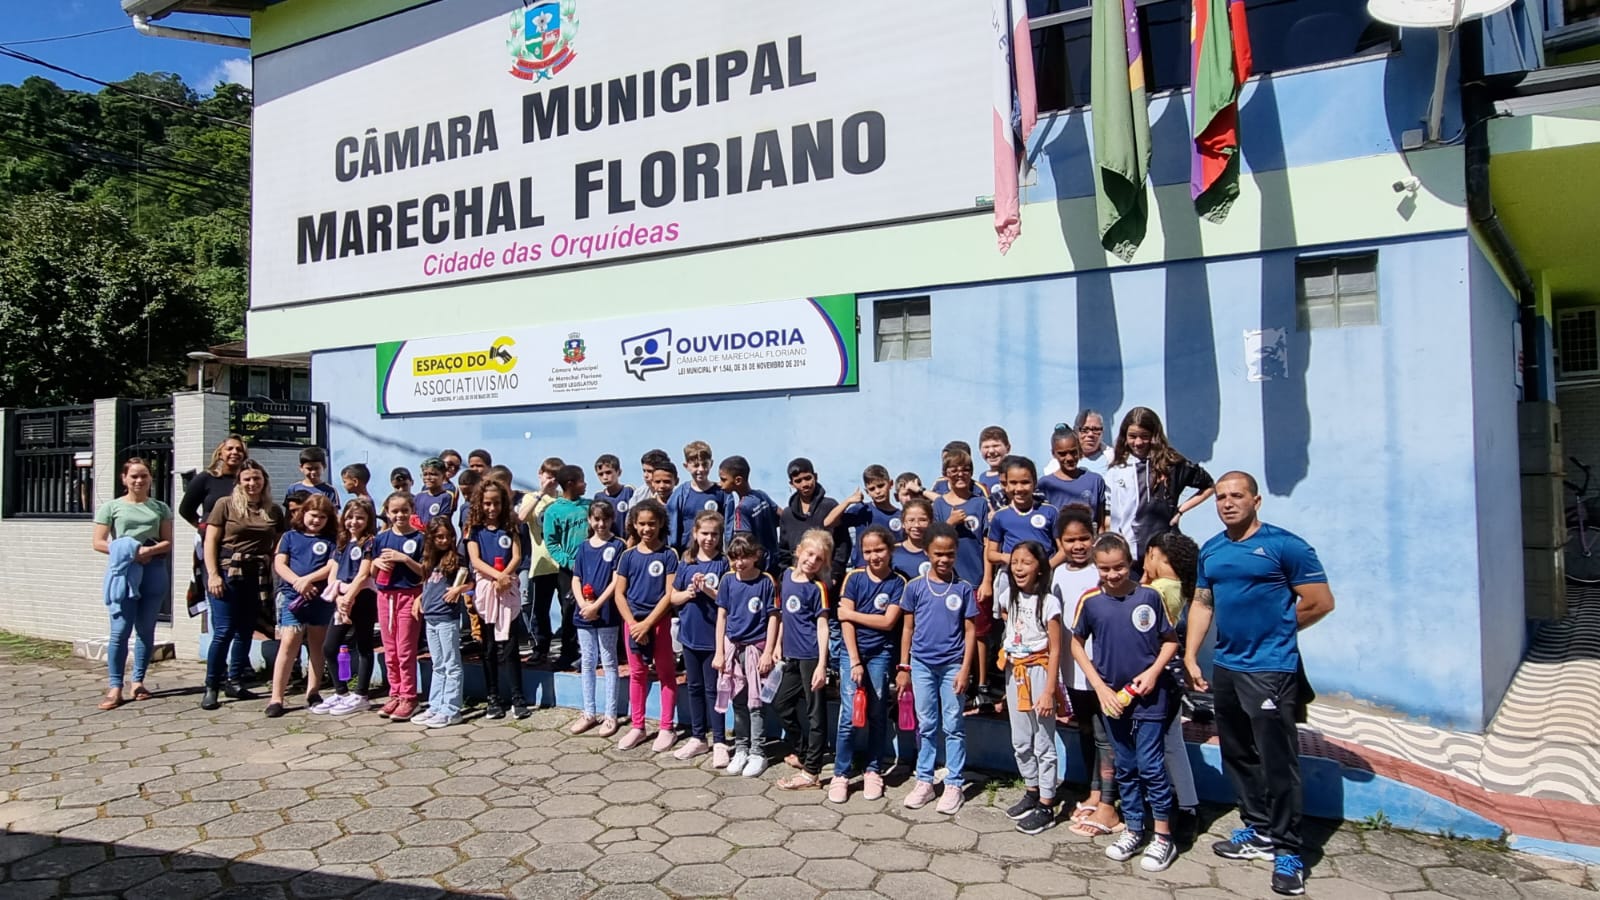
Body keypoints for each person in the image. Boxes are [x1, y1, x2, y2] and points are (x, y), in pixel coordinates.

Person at [1184, 471, 1334, 897]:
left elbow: (1320, 601)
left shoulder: (1286, 546)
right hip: (1227, 667)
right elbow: (1202, 603)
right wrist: (1191, 655)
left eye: (1237, 496)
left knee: (1277, 761)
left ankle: (1288, 851)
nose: (1227, 503)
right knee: (1237, 753)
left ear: (1256, 500)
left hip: (1271, 669)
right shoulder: (1212, 550)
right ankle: (1259, 828)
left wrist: (1277, 632)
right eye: (1221, 497)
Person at [1072, 532, 1180, 874]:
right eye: (1104, 569)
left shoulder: (1149, 596)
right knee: (1125, 765)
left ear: (1130, 562)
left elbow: (1170, 641)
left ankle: (1162, 836)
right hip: (1112, 701)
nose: (1112, 574)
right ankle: (1133, 828)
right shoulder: (1091, 601)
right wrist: (1099, 687)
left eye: (1118, 567)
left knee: (1151, 766)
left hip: (1150, 699)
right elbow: (1076, 643)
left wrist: (1153, 673)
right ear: (1095, 567)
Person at [1052, 505, 1123, 839]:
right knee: (1085, 729)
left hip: (1103, 668)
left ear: (1094, 538)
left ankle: (1106, 797)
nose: (1078, 545)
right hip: (1073, 669)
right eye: (1070, 540)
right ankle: (1093, 790)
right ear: (1060, 542)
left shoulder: (1103, 571)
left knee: (1104, 734)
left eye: (1084, 538)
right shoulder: (1057, 574)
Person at [897, 522, 978, 815]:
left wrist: (965, 669)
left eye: (950, 554)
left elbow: (970, 631)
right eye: (938, 554)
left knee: (953, 724)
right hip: (921, 665)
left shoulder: (963, 588)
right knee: (926, 724)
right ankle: (925, 780)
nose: (944, 559)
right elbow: (907, 628)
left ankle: (954, 783)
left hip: (952, 666)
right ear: (927, 553)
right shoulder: (915, 587)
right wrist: (904, 666)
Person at [995, 540, 1067, 835]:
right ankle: (1032, 790)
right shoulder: (1007, 597)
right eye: (1015, 562)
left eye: (1026, 562)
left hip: (1039, 672)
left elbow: (1056, 649)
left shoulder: (1049, 603)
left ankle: (1047, 804)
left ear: (1040, 567)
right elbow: (1006, 621)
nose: (1019, 568)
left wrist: (1049, 691)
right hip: (1015, 672)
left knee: (1043, 741)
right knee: (1021, 739)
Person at [830, 526, 905, 803]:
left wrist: (851, 613)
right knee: (849, 714)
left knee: (876, 711)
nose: (874, 556)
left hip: (881, 654)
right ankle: (841, 773)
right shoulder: (854, 578)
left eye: (879, 550)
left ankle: (873, 769)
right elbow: (844, 622)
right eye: (868, 551)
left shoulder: (898, 582)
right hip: (852, 655)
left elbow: (888, 622)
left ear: (890, 550)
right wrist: (854, 660)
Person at [202, 460, 284, 710]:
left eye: (256, 478)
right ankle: (212, 685)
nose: (252, 483)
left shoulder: (273, 510)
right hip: (227, 572)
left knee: (245, 630)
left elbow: (279, 542)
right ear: (239, 482)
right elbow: (210, 541)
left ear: (264, 481)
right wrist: (213, 575)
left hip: (256, 576)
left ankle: (235, 681)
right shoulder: (225, 505)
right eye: (247, 479)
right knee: (224, 630)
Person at [93, 458, 173, 709]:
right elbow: (98, 542)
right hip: (125, 573)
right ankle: (115, 686)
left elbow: (167, 541)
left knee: (146, 630)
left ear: (150, 478)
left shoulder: (160, 508)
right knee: (120, 631)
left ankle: (138, 681)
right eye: (134, 476)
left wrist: (147, 552)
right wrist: (128, 552)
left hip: (153, 570)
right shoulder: (111, 507)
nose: (139, 481)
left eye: (144, 476)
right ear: (124, 479)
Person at [1143, 531, 1202, 838]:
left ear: (1155, 555)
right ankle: (1183, 802)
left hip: (1158, 672)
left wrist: (1142, 582)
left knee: (1168, 743)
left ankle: (1185, 806)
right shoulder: (1179, 587)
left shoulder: (1159, 589)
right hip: (1171, 672)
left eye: (1148, 555)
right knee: (1171, 741)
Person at [1104, 407, 1215, 565]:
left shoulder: (1171, 464)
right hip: (1128, 554)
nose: (1138, 442)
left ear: (1154, 436)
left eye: (1145, 436)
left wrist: (1180, 511)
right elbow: (1109, 515)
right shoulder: (1117, 470)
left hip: (1165, 551)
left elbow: (1209, 486)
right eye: (1132, 436)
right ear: (1124, 436)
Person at [612, 498, 679, 752]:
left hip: (659, 623)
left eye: (652, 523)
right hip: (633, 623)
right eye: (641, 524)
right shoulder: (627, 556)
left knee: (666, 673)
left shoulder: (669, 555)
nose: (647, 529)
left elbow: (669, 594)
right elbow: (619, 594)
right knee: (637, 674)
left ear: (661, 523)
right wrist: (633, 624)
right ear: (634, 525)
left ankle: (666, 728)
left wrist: (649, 623)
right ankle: (638, 726)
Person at [933, 449, 997, 705]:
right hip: (949, 582)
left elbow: (988, 543)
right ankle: (959, 680)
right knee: (954, 632)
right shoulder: (939, 505)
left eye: (965, 470)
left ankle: (981, 684)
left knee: (979, 633)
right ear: (946, 474)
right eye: (954, 470)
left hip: (975, 578)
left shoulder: (979, 503)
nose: (960, 474)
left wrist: (987, 580)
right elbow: (934, 540)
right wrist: (949, 523)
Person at [712, 535, 779, 777]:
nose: (739, 563)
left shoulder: (766, 581)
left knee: (756, 703)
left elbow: (773, 617)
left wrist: (768, 651)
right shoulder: (728, 580)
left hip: (756, 650)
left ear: (755, 555)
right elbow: (722, 616)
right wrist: (719, 652)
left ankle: (758, 752)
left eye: (744, 557)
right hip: (733, 648)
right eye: (734, 558)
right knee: (738, 701)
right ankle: (741, 748)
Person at [266, 493, 338, 717]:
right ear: (303, 513)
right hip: (292, 598)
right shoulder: (289, 536)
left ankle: (313, 691)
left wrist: (309, 580)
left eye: (322, 517)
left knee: (317, 644)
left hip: (319, 598)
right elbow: (280, 563)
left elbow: (331, 565)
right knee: (289, 642)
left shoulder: (331, 540)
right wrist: (298, 582)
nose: (316, 520)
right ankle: (276, 697)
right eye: (313, 515)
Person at [773, 530, 833, 790]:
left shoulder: (817, 588)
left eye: (819, 559)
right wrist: (777, 644)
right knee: (781, 703)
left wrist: (822, 664)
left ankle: (812, 773)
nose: (812, 561)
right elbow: (783, 615)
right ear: (798, 551)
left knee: (815, 713)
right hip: (791, 656)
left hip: (811, 657)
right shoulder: (786, 576)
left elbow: (822, 626)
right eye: (809, 554)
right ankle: (803, 751)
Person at [670, 510, 730, 764]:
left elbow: (729, 599)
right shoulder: (687, 562)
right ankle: (698, 738)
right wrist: (689, 592)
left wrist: (707, 589)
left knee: (713, 690)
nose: (709, 538)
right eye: (704, 533)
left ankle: (720, 741)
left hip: (713, 638)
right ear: (695, 533)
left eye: (714, 534)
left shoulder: (724, 563)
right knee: (693, 687)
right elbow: (673, 597)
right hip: (690, 636)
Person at [466, 480, 528, 720]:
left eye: (497, 503)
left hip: (507, 587)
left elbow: (516, 555)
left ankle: (517, 696)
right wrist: (495, 576)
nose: (492, 508)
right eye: (487, 503)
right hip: (486, 590)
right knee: (489, 646)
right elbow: (475, 560)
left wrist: (505, 576)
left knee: (510, 645)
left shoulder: (510, 526)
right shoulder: (475, 530)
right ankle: (493, 697)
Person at [316, 498, 379, 716]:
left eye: (360, 517)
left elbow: (363, 574)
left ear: (368, 519)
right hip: (342, 598)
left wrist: (349, 597)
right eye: (350, 517)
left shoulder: (370, 542)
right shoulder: (342, 541)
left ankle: (361, 695)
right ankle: (341, 692)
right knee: (329, 647)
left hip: (362, 598)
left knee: (364, 645)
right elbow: (333, 571)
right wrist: (338, 599)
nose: (354, 522)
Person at [568, 498, 623, 737]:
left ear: (612, 520)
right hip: (584, 613)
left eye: (605, 519)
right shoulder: (583, 547)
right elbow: (576, 578)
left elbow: (616, 581)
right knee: (588, 662)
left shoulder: (618, 545)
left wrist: (597, 605)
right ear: (590, 520)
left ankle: (611, 715)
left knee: (609, 662)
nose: (601, 524)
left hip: (607, 613)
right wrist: (583, 604)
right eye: (597, 519)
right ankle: (588, 712)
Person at [371, 491, 425, 721]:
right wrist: (376, 562)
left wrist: (404, 559)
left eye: (404, 510)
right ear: (387, 512)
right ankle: (395, 693)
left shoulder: (420, 538)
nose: (400, 515)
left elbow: (425, 572)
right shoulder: (381, 539)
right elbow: (372, 573)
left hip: (409, 596)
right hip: (385, 596)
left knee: (405, 649)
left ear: (412, 510)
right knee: (390, 650)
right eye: (394, 511)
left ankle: (409, 696)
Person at [414, 518, 469, 728]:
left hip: (447, 618)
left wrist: (458, 590)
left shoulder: (457, 559)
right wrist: (420, 599)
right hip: (431, 618)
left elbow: (470, 582)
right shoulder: (429, 560)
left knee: (451, 664)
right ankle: (436, 705)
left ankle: (452, 709)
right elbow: (428, 586)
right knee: (438, 665)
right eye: (439, 537)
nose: (444, 540)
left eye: (447, 536)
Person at [544, 464, 592, 671]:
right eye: (582, 480)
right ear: (570, 484)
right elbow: (552, 542)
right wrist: (568, 561)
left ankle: (593, 654)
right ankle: (568, 653)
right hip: (569, 570)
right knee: (569, 609)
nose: (585, 484)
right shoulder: (553, 511)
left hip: (592, 567)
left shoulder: (590, 506)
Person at [522, 458, 569, 668]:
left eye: (556, 478)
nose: (552, 481)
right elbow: (521, 517)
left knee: (568, 609)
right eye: (548, 476)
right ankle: (540, 649)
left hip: (563, 563)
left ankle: (568, 650)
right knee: (540, 611)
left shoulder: (564, 499)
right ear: (540, 474)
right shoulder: (530, 498)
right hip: (542, 564)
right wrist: (541, 493)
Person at [777, 458, 850, 588]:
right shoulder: (787, 515)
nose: (804, 484)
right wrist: (785, 577)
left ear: (815, 476)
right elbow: (784, 551)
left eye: (807, 478)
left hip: (826, 581)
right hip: (797, 582)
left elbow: (843, 544)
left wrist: (835, 575)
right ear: (792, 484)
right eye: (798, 481)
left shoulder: (830, 506)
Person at [987, 456, 1059, 571]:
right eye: (1013, 483)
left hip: (1044, 575)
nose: (1019, 488)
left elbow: (1063, 549)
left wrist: (1045, 569)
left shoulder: (1050, 511)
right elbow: (991, 554)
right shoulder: (1000, 516)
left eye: (1025, 482)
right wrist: (1008, 558)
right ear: (1006, 485)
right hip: (1011, 574)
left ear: (1034, 483)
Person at [826, 465, 904, 568]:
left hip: (890, 570)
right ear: (867, 492)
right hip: (863, 569)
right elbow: (828, 522)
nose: (877, 491)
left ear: (890, 484)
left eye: (881, 486)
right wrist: (848, 501)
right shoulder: (862, 510)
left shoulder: (901, 516)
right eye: (872, 489)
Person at [1039, 430, 1110, 531]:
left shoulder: (1095, 481)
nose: (1069, 458)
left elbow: (1100, 525)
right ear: (1054, 454)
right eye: (1062, 454)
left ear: (1080, 450)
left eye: (1073, 452)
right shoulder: (1045, 484)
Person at [667, 441, 724, 553]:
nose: (701, 469)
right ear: (686, 466)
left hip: (715, 554)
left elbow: (728, 526)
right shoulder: (681, 494)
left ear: (711, 464)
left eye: (705, 464)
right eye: (696, 465)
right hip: (687, 553)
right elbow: (672, 526)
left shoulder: (721, 493)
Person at [592, 453, 636, 538]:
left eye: (608, 472)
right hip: (609, 542)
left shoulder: (628, 491)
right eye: (601, 474)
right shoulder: (599, 497)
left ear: (619, 472)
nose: (605, 477)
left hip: (628, 541)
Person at [892, 498, 934, 581]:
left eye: (923, 520)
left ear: (931, 522)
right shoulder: (892, 552)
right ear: (903, 523)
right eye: (911, 520)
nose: (917, 525)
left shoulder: (938, 552)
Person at [977, 426, 1011, 510]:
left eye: (996, 446)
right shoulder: (982, 477)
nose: (991, 451)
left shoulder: (1014, 473)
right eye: (986, 447)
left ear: (1008, 448)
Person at [414, 457, 455, 527]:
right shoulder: (418, 497)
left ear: (443, 476)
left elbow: (443, 521)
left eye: (433, 474)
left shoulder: (446, 497)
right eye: (425, 474)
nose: (428, 478)